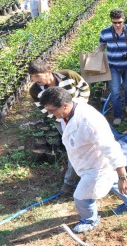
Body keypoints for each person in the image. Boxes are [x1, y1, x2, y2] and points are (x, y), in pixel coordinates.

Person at [40, 87, 127, 233]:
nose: (51, 115)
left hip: (97, 166)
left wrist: (123, 176)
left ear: (64, 105)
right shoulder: (70, 110)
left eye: (52, 111)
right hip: (88, 161)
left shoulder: (89, 121)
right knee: (114, 182)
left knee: (81, 197)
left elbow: (111, 147)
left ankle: (90, 219)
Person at [28, 59, 90, 195]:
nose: (35, 80)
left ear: (48, 72)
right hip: (61, 121)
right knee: (73, 148)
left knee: (87, 145)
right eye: (32, 77)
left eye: (38, 76)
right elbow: (44, 110)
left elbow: (84, 88)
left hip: (80, 114)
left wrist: (79, 105)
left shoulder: (69, 75)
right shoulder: (35, 90)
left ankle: (85, 175)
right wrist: (62, 118)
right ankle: (70, 182)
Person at [98, 9, 127, 126]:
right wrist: (94, 55)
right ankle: (117, 115)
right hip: (113, 66)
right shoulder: (105, 32)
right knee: (115, 92)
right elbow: (102, 46)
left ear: (123, 19)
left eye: (119, 22)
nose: (117, 25)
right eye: (114, 22)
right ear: (111, 21)